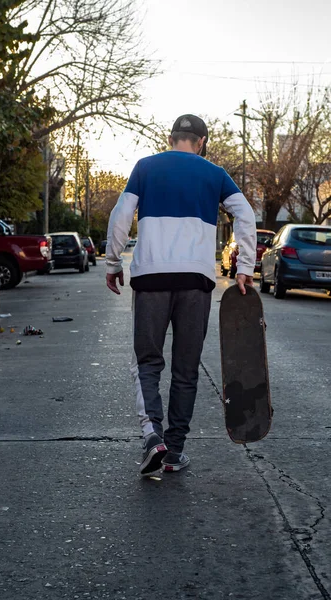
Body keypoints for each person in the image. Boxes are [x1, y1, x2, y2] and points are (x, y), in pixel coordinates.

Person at [105, 114, 256, 475]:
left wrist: (113, 262)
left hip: (152, 279)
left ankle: (152, 436)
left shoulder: (145, 167)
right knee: (186, 369)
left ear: (171, 137)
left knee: (148, 361)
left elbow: (120, 216)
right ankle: (172, 453)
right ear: (201, 141)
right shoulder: (215, 173)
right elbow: (245, 215)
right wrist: (244, 267)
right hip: (196, 281)